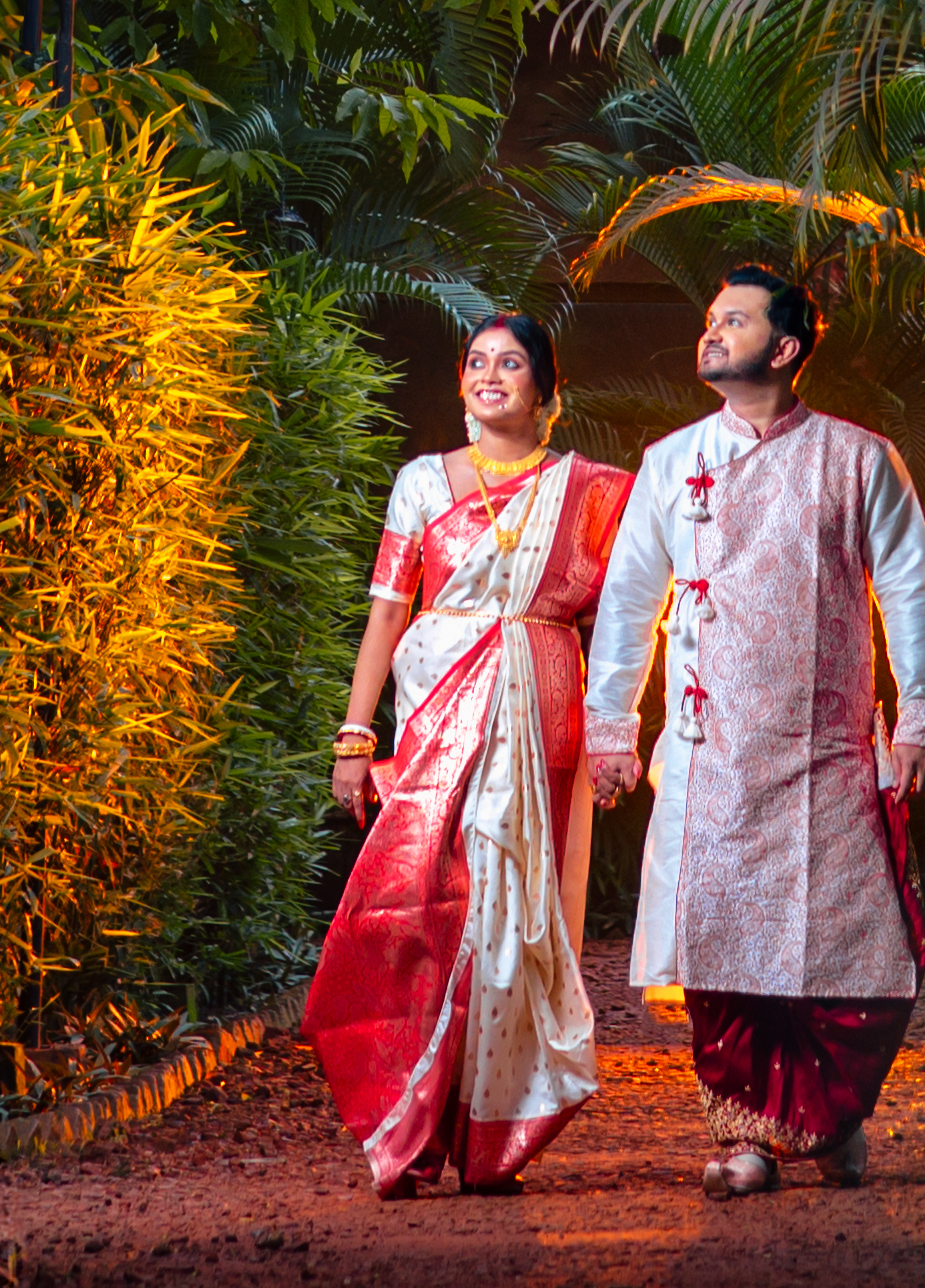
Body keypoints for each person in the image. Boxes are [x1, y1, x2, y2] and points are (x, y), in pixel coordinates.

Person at [582, 261, 925, 1198]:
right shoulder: (671, 462)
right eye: (711, 317)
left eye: (733, 320)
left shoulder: (859, 459)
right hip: (712, 756)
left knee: (849, 956)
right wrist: (611, 729)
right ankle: (745, 1138)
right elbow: (629, 603)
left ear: (783, 349)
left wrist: (919, 717)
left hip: (826, 754)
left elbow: (908, 590)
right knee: (722, 955)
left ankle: (833, 1120)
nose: (711, 332)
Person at [303, 313, 632, 1199]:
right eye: (477, 362)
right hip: (437, 708)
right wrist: (355, 735)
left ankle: (490, 1134)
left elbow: (627, 611)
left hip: (540, 705)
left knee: (511, 912)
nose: (490, 375)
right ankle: (408, 1122)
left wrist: (620, 729)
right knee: (420, 904)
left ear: (546, 391)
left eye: (511, 363)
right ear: (459, 383)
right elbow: (387, 610)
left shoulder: (591, 493)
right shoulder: (421, 481)